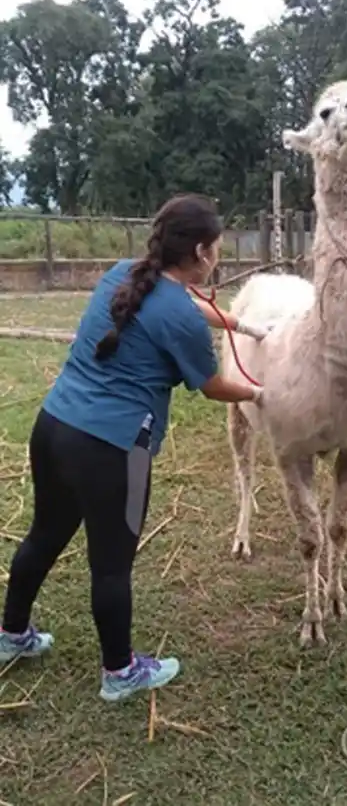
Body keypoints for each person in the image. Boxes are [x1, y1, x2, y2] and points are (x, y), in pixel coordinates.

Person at [0, 193, 270, 702]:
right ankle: (120, 672)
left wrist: (238, 323)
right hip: (113, 449)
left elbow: (178, 306)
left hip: (54, 425)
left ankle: (12, 635)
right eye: (216, 248)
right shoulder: (181, 317)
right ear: (202, 252)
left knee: (44, 534)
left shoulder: (123, 272)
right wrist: (259, 392)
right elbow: (211, 385)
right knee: (111, 565)